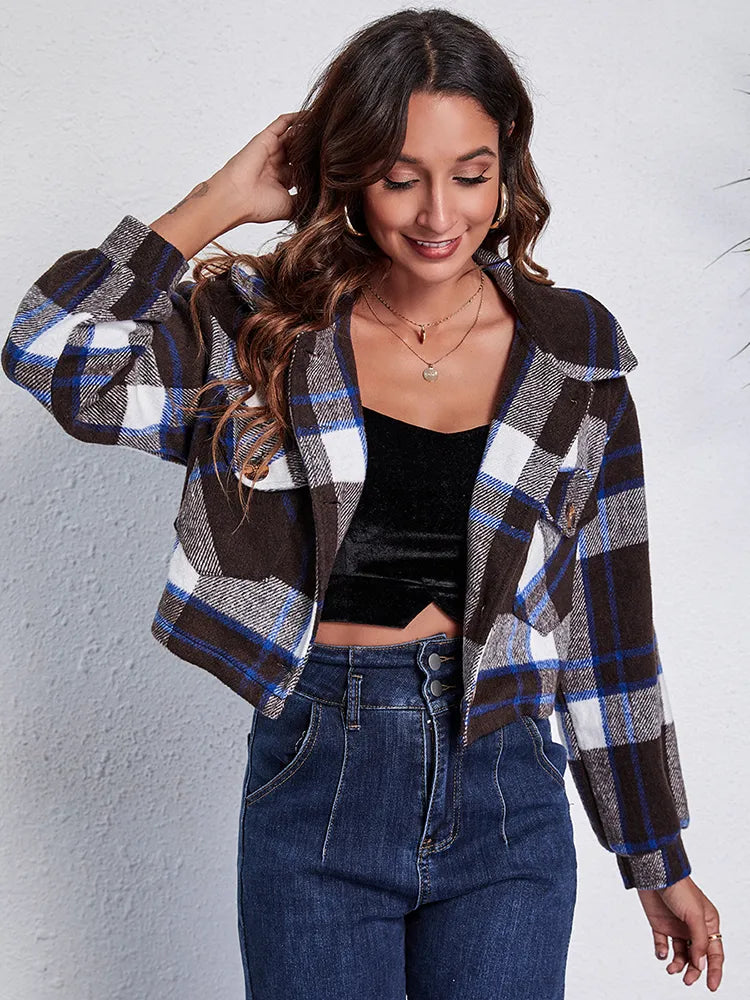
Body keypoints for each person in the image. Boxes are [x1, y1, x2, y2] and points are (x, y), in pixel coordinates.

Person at [2, 7, 724, 999]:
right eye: (399, 176)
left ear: (507, 166)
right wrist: (218, 199)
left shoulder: (574, 355)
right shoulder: (262, 335)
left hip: (507, 795)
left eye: (470, 173)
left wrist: (656, 855)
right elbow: (47, 352)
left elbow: (608, 625)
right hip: (320, 783)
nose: (438, 214)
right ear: (350, 175)